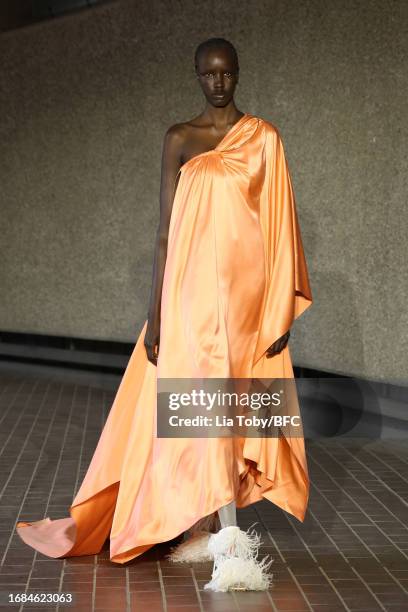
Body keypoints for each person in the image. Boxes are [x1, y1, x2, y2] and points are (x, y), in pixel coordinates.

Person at [16, 37, 312, 592]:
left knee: (239, 409)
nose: (218, 83)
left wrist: (280, 311)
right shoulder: (179, 138)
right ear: (197, 77)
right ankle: (228, 545)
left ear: (238, 74)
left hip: (248, 303)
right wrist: (155, 312)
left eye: (227, 73)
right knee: (201, 412)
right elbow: (163, 233)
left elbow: (279, 227)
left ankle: (206, 529)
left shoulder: (264, 139)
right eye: (209, 74)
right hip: (192, 298)